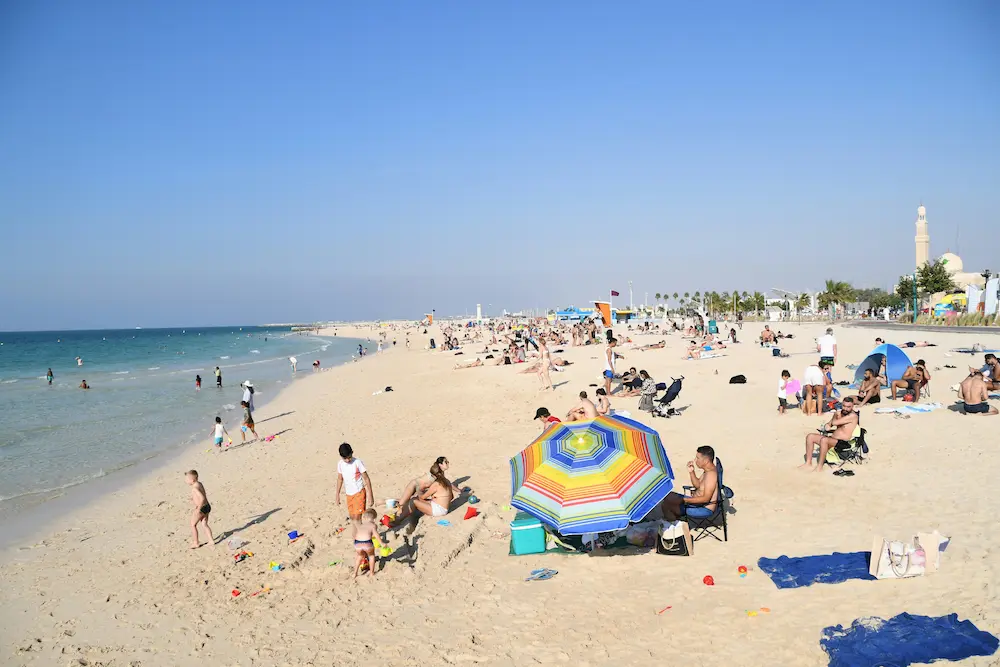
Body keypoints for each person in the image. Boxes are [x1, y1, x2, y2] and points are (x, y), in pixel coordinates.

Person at [800, 396, 859, 473]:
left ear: (852, 406)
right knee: (810, 436)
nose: (845, 409)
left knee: (824, 440)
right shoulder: (839, 414)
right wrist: (826, 426)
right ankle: (808, 463)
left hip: (844, 443)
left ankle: (819, 467)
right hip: (832, 439)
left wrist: (835, 415)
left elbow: (834, 422)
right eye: (844, 406)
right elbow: (829, 424)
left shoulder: (853, 416)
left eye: (848, 407)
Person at [659, 446, 719, 521]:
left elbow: (706, 499)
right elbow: (698, 485)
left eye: (698, 458)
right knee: (668, 495)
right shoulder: (707, 471)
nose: (695, 460)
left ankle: (674, 526)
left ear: (706, 460)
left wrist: (684, 500)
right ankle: (674, 521)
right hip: (696, 503)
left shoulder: (711, 475)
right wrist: (691, 472)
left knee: (666, 505)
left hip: (703, 509)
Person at [395, 457, 465, 519]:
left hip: (421, 488)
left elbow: (447, 484)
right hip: (414, 485)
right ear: (440, 465)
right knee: (401, 504)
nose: (448, 463)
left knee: (411, 501)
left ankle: (400, 515)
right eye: (446, 462)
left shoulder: (440, 476)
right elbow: (448, 485)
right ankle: (393, 510)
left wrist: (459, 490)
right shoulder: (437, 476)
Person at [336, 443, 374, 524]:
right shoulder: (340, 464)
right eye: (345, 458)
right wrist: (337, 494)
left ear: (352, 453)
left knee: (357, 518)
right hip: (349, 495)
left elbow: (366, 479)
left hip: (359, 493)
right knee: (353, 518)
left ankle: (361, 536)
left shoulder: (357, 462)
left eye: (349, 457)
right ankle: (359, 534)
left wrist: (370, 495)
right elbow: (340, 479)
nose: (347, 460)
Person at [185, 470, 215, 549]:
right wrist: (193, 498)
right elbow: (202, 494)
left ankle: (196, 542)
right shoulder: (199, 484)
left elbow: (202, 498)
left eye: (187, 480)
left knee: (193, 525)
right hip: (207, 506)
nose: (186, 481)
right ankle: (211, 540)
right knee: (204, 524)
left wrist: (198, 508)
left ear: (192, 480)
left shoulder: (194, 488)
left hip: (201, 508)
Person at [352, 508, 380, 579]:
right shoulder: (373, 525)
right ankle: (371, 573)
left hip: (357, 543)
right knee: (371, 556)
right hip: (367, 543)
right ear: (374, 519)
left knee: (359, 557)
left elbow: (356, 534)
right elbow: (376, 535)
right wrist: (382, 543)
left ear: (364, 518)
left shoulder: (361, 525)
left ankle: (354, 573)